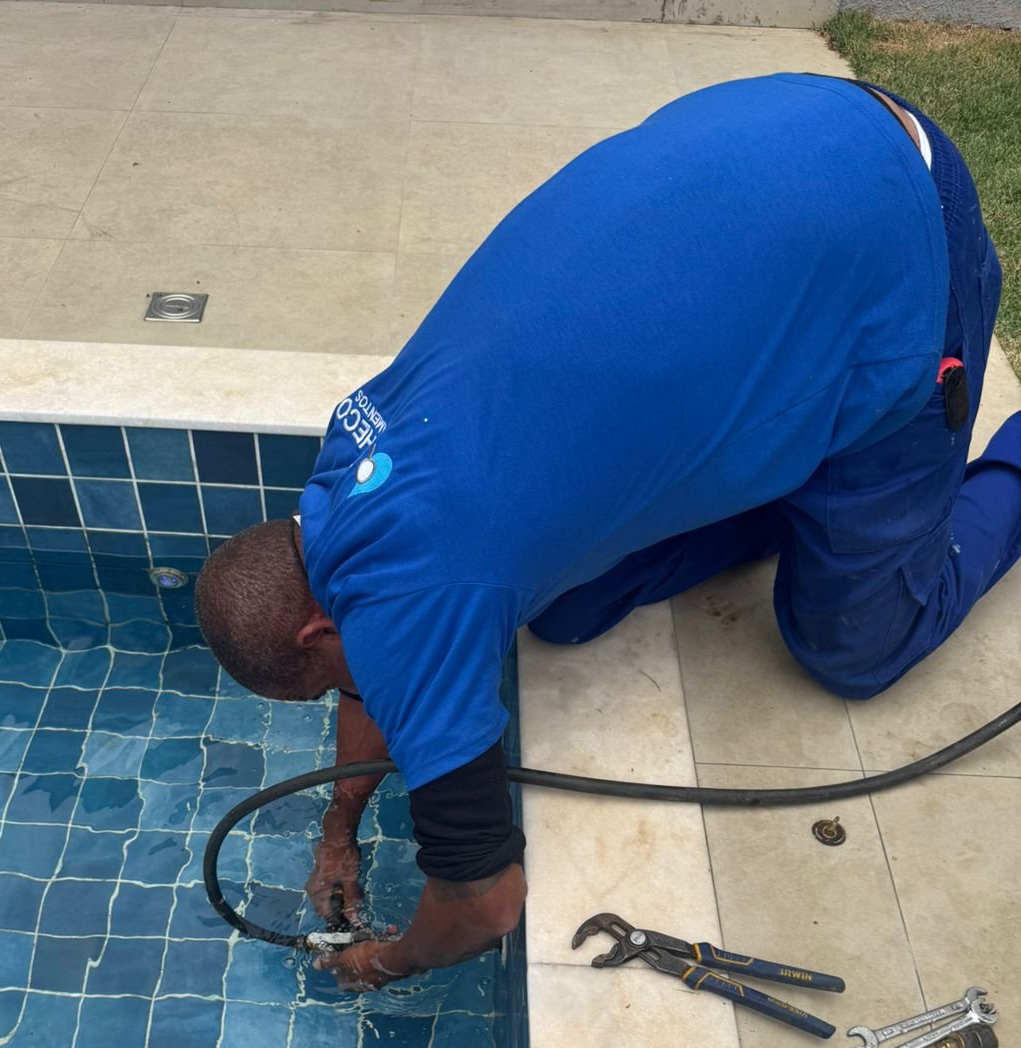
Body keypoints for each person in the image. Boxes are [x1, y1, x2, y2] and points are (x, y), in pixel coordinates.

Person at [195, 71, 1021, 993]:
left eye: (323, 686)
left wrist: (383, 961)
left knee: (852, 644)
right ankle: (803, 480)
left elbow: (482, 906)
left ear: (316, 630)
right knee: (570, 607)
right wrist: (340, 824)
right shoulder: (347, 475)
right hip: (770, 132)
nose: (351, 689)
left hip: (890, 219)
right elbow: (383, 652)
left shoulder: (413, 597)